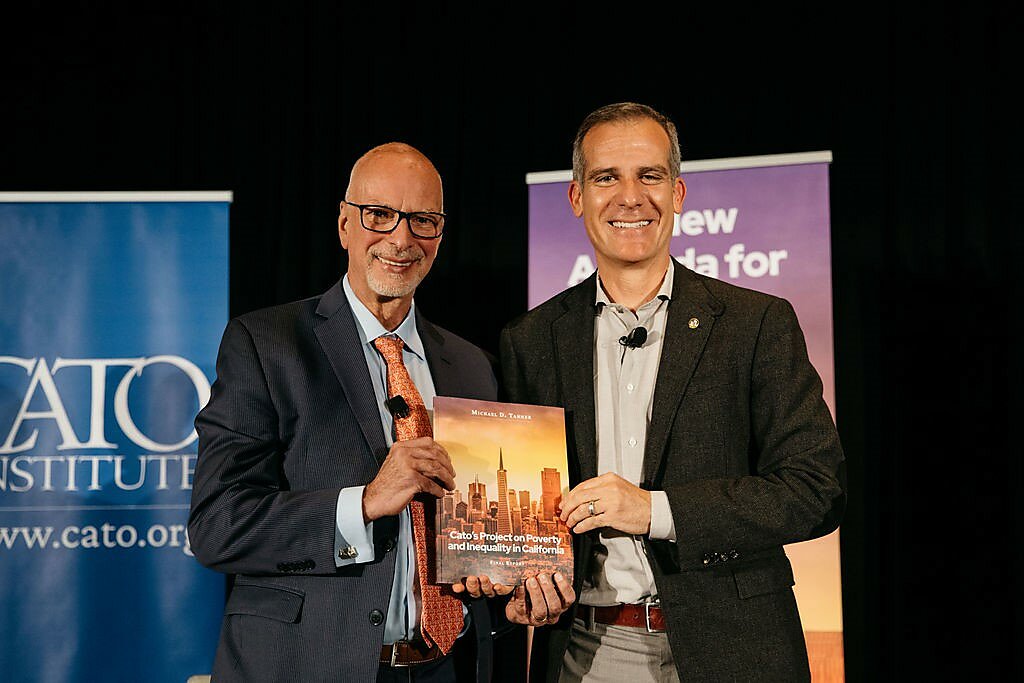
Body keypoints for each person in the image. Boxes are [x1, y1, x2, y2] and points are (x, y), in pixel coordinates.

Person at [188, 142, 566, 682]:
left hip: (450, 667)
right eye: (380, 215)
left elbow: (481, 544)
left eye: (423, 221)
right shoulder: (266, 344)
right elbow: (216, 524)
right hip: (307, 666)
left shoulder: (473, 365)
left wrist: (509, 585)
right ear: (344, 225)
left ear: (441, 233)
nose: (401, 238)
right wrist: (362, 503)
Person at [499, 103, 846, 682]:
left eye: (650, 176)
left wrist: (655, 510)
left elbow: (816, 490)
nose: (630, 196)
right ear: (576, 197)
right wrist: (522, 586)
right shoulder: (530, 340)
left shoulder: (754, 323)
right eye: (607, 177)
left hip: (735, 650)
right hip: (587, 650)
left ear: (678, 193)